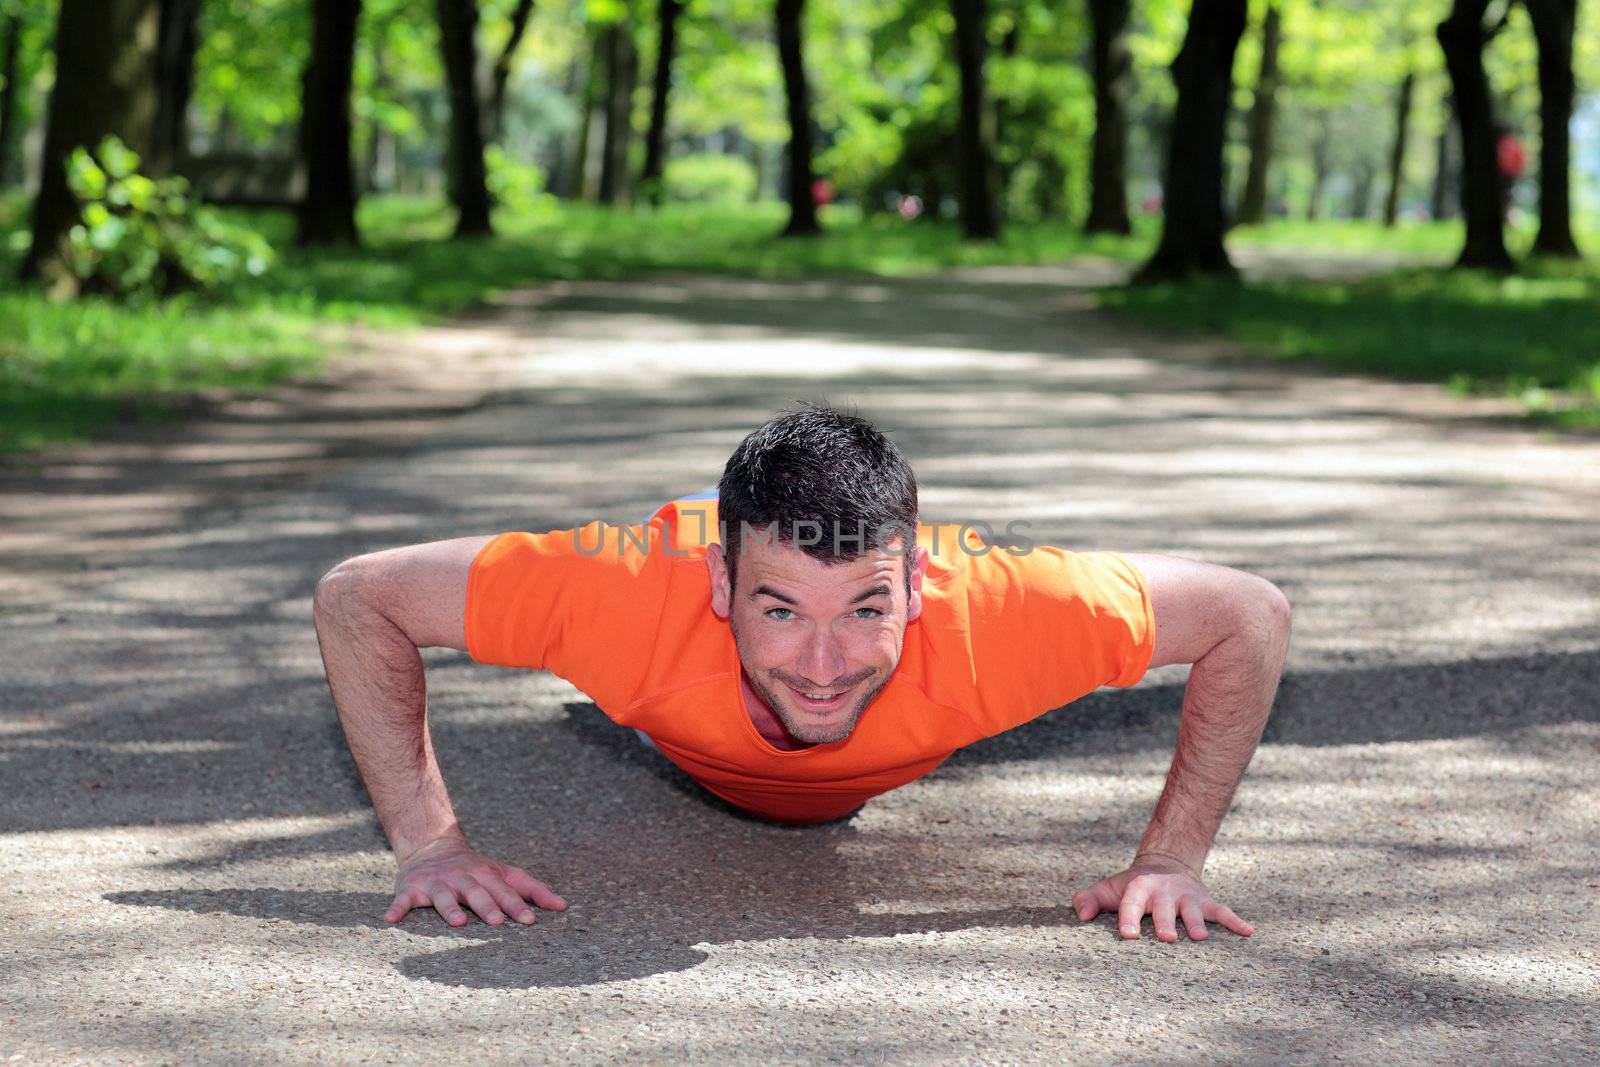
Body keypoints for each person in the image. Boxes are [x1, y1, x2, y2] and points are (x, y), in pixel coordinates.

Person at [314, 405, 1291, 945]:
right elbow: (361, 597)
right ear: (720, 584)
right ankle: (734, 533)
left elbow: (1248, 613)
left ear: (916, 584)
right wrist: (429, 846)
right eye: (778, 609)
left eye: (866, 607)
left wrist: (1169, 857)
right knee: (684, 579)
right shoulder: (625, 594)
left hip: (867, 656)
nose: (822, 668)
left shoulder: (1000, 610)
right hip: (678, 679)